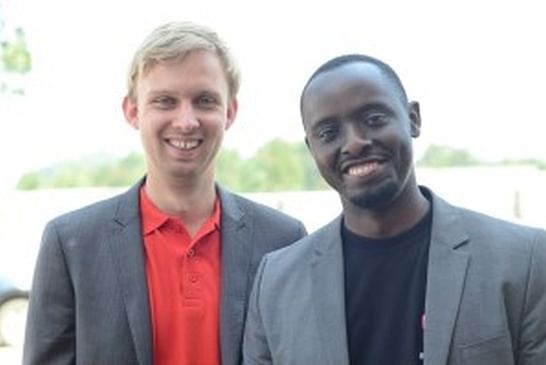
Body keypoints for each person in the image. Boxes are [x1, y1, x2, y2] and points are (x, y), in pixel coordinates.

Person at [23, 21, 306, 365]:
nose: (186, 121)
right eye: (165, 101)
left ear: (229, 112)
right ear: (133, 111)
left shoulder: (284, 241)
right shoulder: (70, 244)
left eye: (204, 100)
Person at [242, 54, 546, 365]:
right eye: (329, 133)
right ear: (312, 149)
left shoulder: (525, 260)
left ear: (413, 118)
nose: (355, 143)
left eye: (374, 119)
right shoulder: (275, 284)